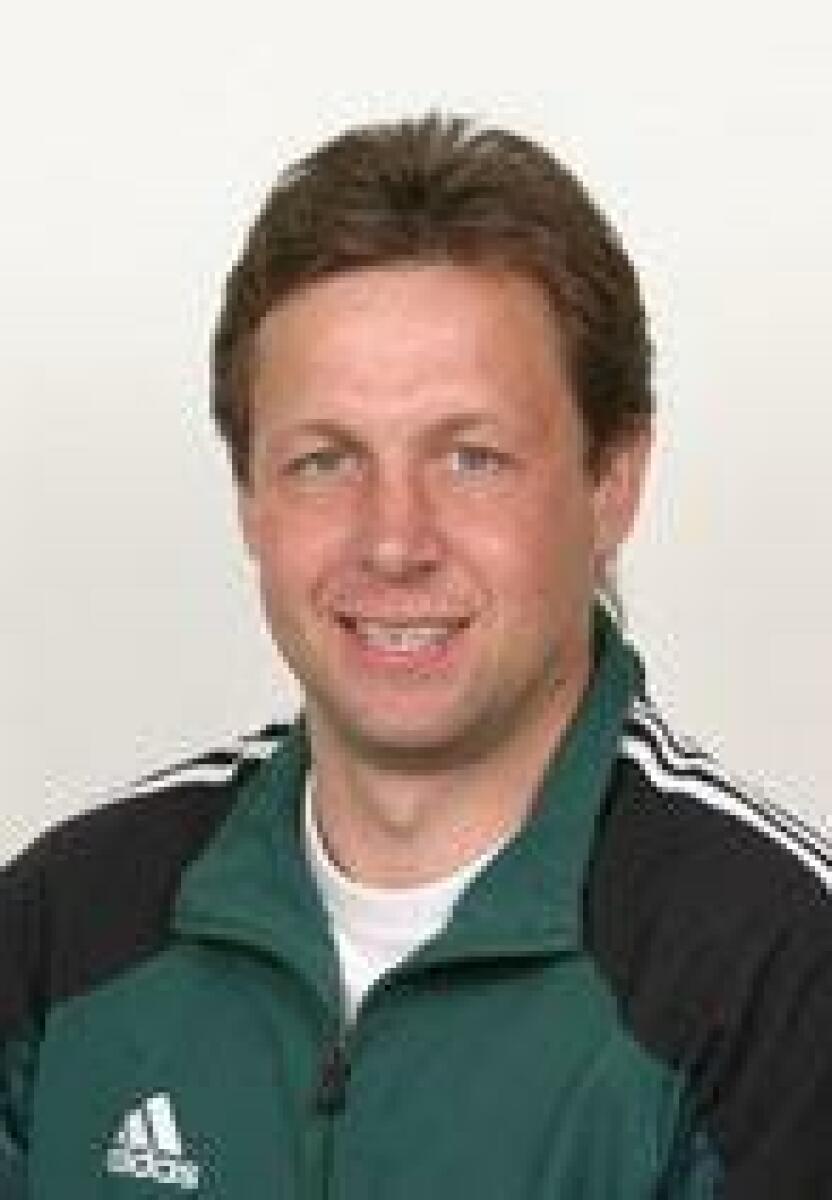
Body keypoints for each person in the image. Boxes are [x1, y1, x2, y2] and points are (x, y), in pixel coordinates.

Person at [2, 113, 830, 1199]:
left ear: (612, 482)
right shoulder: (59, 930)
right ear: (249, 499)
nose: (393, 542)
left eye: (471, 457)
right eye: (324, 460)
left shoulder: (781, 977)